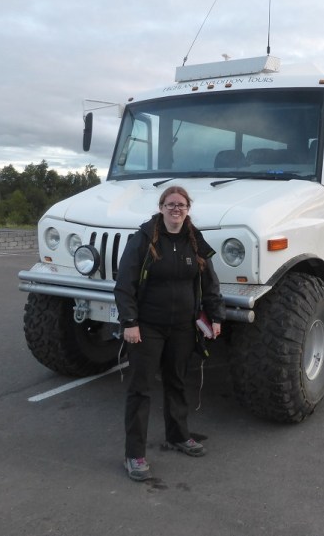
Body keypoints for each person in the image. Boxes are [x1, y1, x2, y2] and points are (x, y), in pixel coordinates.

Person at [113, 186, 226, 482]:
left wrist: (215, 316)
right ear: (161, 207)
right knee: (141, 389)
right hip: (147, 327)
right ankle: (134, 454)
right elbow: (124, 284)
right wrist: (130, 322)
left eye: (182, 204)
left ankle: (178, 436)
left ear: (188, 208)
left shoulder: (194, 239)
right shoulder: (143, 239)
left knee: (177, 382)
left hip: (183, 327)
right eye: (170, 204)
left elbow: (209, 282)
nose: (176, 209)